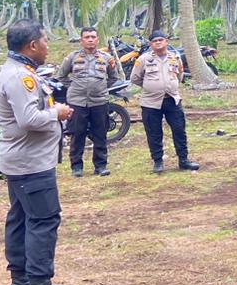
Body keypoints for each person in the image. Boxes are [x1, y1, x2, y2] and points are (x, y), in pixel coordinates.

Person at [0, 19, 80, 285]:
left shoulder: (18, 72)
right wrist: (57, 112)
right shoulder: (20, 77)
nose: (48, 47)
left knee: (20, 219)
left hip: (22, 162)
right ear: (32, 45)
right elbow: (29, 119)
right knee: (43, 221)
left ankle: (22, 282)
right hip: (30, 164)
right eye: (45, 41)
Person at [130, 30, 199, 173]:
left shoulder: (175, 57)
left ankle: (184, 160)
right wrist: (152, 86)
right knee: (154, 133)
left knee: (179, 130)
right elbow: (135, 78)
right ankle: (158, 162)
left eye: (161, 40)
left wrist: (167, 85)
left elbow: (179, 76)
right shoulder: (144, 59)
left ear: (166, 42)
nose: (158, 42)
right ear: (151, 44)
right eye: (155, 41)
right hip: (151, 102)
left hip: (172, 100)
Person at [56, 26, 118, 177]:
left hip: (99, 102)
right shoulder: (72, 57)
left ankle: (101, 166)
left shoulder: (106, 58)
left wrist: (101, 88)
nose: (90, 40)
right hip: (77, 102)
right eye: (87, 37)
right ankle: (77, 167)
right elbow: (61, 76)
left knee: (100, 134)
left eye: (93, 37)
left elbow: (113, 77)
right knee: (77, 134)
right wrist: (74, 87)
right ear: (81, 40)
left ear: (97, 40)